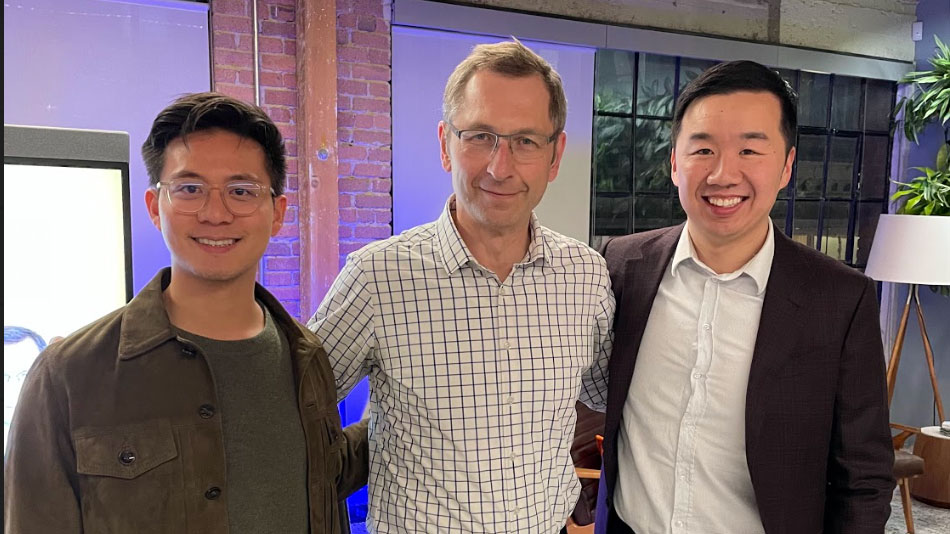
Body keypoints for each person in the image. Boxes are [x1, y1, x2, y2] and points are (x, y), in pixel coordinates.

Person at [4, 92, 368, 533]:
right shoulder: (69, 376)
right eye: (190, 189)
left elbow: (321, 477)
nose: (216, 213)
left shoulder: (305, 358)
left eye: (241, 191)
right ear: (156, 207)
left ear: (277, 213)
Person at [309, 40, 614, 533]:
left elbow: (605, 396)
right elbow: (294, 405)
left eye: (526, 141)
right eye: (479, 136)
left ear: (555, 156)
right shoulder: (378, 277)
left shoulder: (585, 275)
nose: (500, 166)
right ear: (445, 144)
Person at [594, 60, 895, 534]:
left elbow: (864, 477)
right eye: (703, 149)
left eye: (750, 150)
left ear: (786, 167)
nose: (722, 174)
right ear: (675, 162)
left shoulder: (839, 298)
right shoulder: (621, 266)